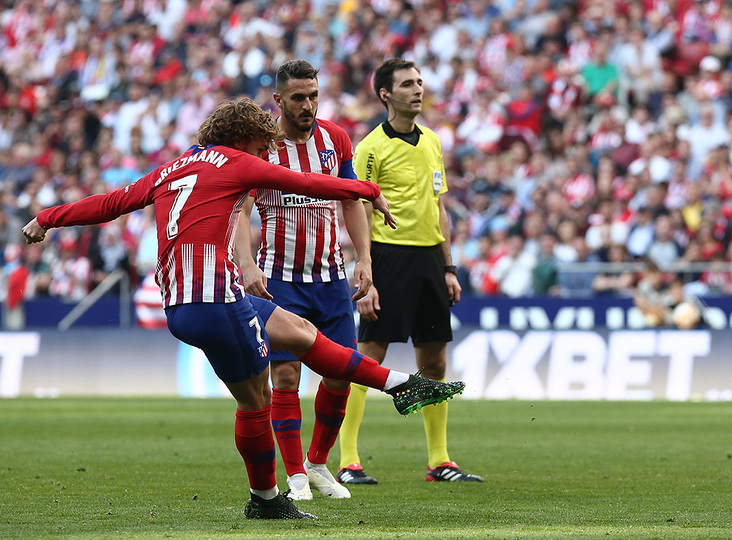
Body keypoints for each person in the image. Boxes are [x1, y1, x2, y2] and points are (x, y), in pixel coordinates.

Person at [22, 97, 466, 520]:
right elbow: (308, 183)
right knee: (257, 401)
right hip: (215, 301)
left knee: (298, 333)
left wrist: (47, 218)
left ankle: (399, 384)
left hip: (187, 301)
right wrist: (367, 188)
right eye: (261, 146)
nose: (265, 154)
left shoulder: (172, 168)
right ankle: (266, 499)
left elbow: (109, 204)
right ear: (243, 139)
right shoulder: (237, 161)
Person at [337, 58, 483, 484]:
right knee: (369, 359)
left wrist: (449, 267)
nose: (418, 89)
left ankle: (439, 461)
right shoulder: (369, 148)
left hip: (429, 262)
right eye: (407, 84)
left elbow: (439, 208)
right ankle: (348, 461)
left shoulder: (433, 142)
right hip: (387, 256)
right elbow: (359, 208)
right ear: (386, 94)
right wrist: (366, 272)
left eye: (420, 82)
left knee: (434, 359)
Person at [235, 60, 366, 501]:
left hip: (331, 278)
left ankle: (317, 463)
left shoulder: (336, 139)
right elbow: (240, 210)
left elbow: (351, 200)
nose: (307, 105)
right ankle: (294, 476)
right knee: (286, 375)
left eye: (313, 95)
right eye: (298, 97)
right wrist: (247, 264)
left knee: (340, 374)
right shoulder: (261, 146)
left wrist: (364, 258)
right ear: (278, 100)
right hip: (280, 280)